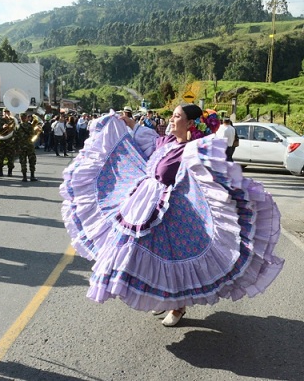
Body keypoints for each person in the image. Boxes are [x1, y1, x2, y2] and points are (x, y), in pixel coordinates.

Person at [60, 103, 284, 327]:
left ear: (189, 123)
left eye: (177, 116)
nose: (171, 119)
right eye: (173, 115)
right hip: (144, 205)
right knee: (139, 254)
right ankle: (164, 298)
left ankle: (178, 306)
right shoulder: (166, 141)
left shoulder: (194, 150)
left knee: (173, 260)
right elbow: (142, 140)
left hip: (173, 213)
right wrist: (126, 123)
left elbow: (207, 177)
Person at [16, 112, 38, 182]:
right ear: (26, 118)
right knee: (32, 160)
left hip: (21, 146)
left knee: (23, 161)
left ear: (20, 118)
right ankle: (32, 176)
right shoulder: (30, 126)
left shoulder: (17, 126)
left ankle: (24, 177)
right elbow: (33, 134)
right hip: (29, 145)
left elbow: (15, 137)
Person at [0, 108, 17, 177]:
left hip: (10, 142)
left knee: (11, 157)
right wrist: (2, 127)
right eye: (5, 112)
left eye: (8, 112)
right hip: (1, 142)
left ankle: (10, 172)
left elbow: (15, 130)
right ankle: (0, 171)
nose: (7, 113)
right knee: (0, 157)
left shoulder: (12, 120)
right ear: (3, 113)